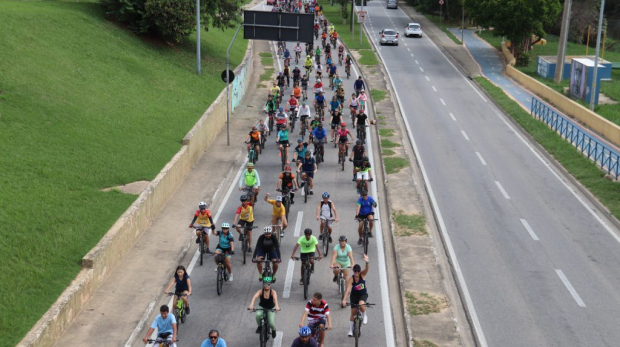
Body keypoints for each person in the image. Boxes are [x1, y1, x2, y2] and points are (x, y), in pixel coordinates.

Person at [342, 254, 370, 336]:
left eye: (358, 271)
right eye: (355, 271)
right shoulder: (351, 279)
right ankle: (350, 330)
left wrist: (367, 262)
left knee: (361, 304)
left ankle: (365, 315)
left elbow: (367, 269)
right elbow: (347, 290)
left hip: (362, 294)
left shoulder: (362, 275)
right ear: (353, 271)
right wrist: (344, 299)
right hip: (354, 296)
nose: (357, 273)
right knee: (353, 313)